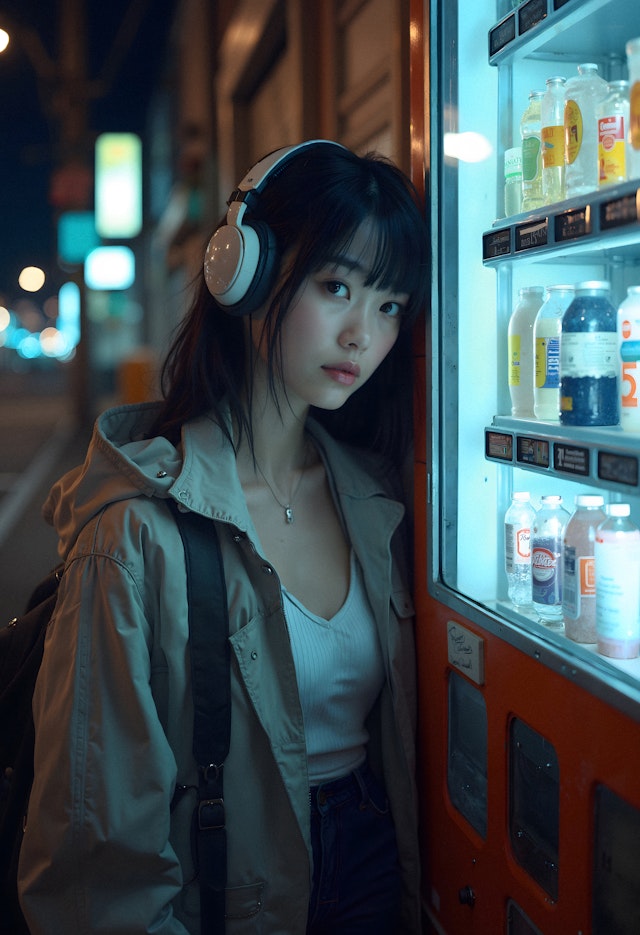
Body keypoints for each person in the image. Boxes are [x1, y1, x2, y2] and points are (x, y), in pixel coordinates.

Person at [18, 139, 429, 934]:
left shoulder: (376, 501)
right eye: (337, 286)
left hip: (377, 866)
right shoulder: (135, 534)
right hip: (227, 887)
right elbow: (95, 858)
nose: (363, 336)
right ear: (243, 275)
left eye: (389, 306)